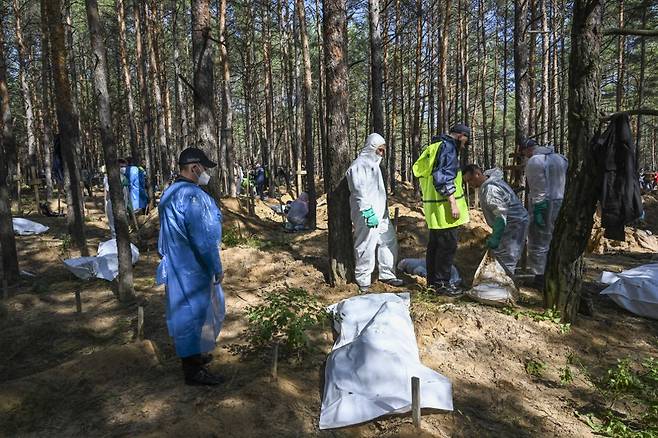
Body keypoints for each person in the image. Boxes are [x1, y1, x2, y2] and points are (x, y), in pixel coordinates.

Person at [156, 147, 226, 386]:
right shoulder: (191, 196)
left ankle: (194, 357)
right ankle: (193, 371)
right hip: (192, 266)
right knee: (191, 316)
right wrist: (216, 266)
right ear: (195, 167)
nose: (206, 172)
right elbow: (202, 238)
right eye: (204, 167)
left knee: (188, 313)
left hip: (179, 264)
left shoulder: (171, 192)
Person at [413, 124, 471, 296]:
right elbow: (443, 179)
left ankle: (433, 284)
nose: (465, 144)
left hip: (433, 208)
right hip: (444, 207)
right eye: (466, 139)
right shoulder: (448, 148)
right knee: (447, 247)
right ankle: (442, 285)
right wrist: (453, 203)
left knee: (435, 246)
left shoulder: (434, 147)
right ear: (461, 136)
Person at [346, 133, 403, 293]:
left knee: (388, 240)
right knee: (366, 245)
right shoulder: (359, 166)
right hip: (366, 213)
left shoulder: (375, 166)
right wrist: (367, 211)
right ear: (371, 147)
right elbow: (358, 191)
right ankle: (363, 281)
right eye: (380, 150)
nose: (382, 153)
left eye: (383, 150)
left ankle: (387, 274)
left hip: (380, 213)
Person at [463, 164, 529, 274]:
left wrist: (496, 238)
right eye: (467, 182)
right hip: (511, 222)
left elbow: (500, 216)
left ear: (477, 174)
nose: (469, 184)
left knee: (506, 256)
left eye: (470, 180)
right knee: (503, 255)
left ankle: (504, 284)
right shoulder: (490, 184)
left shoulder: (491, 189)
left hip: (513, 224)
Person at [520, 138, 568, 287]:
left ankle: (539, 276)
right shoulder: (560, 158)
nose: (524, 155)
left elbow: (538, 187)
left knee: (538, 240)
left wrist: (539, 208)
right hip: (560, 201)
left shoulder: (535, 161)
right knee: (555, 237)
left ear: (527, 149)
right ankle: (555, 272)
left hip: (544, 204)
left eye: (523, 152)